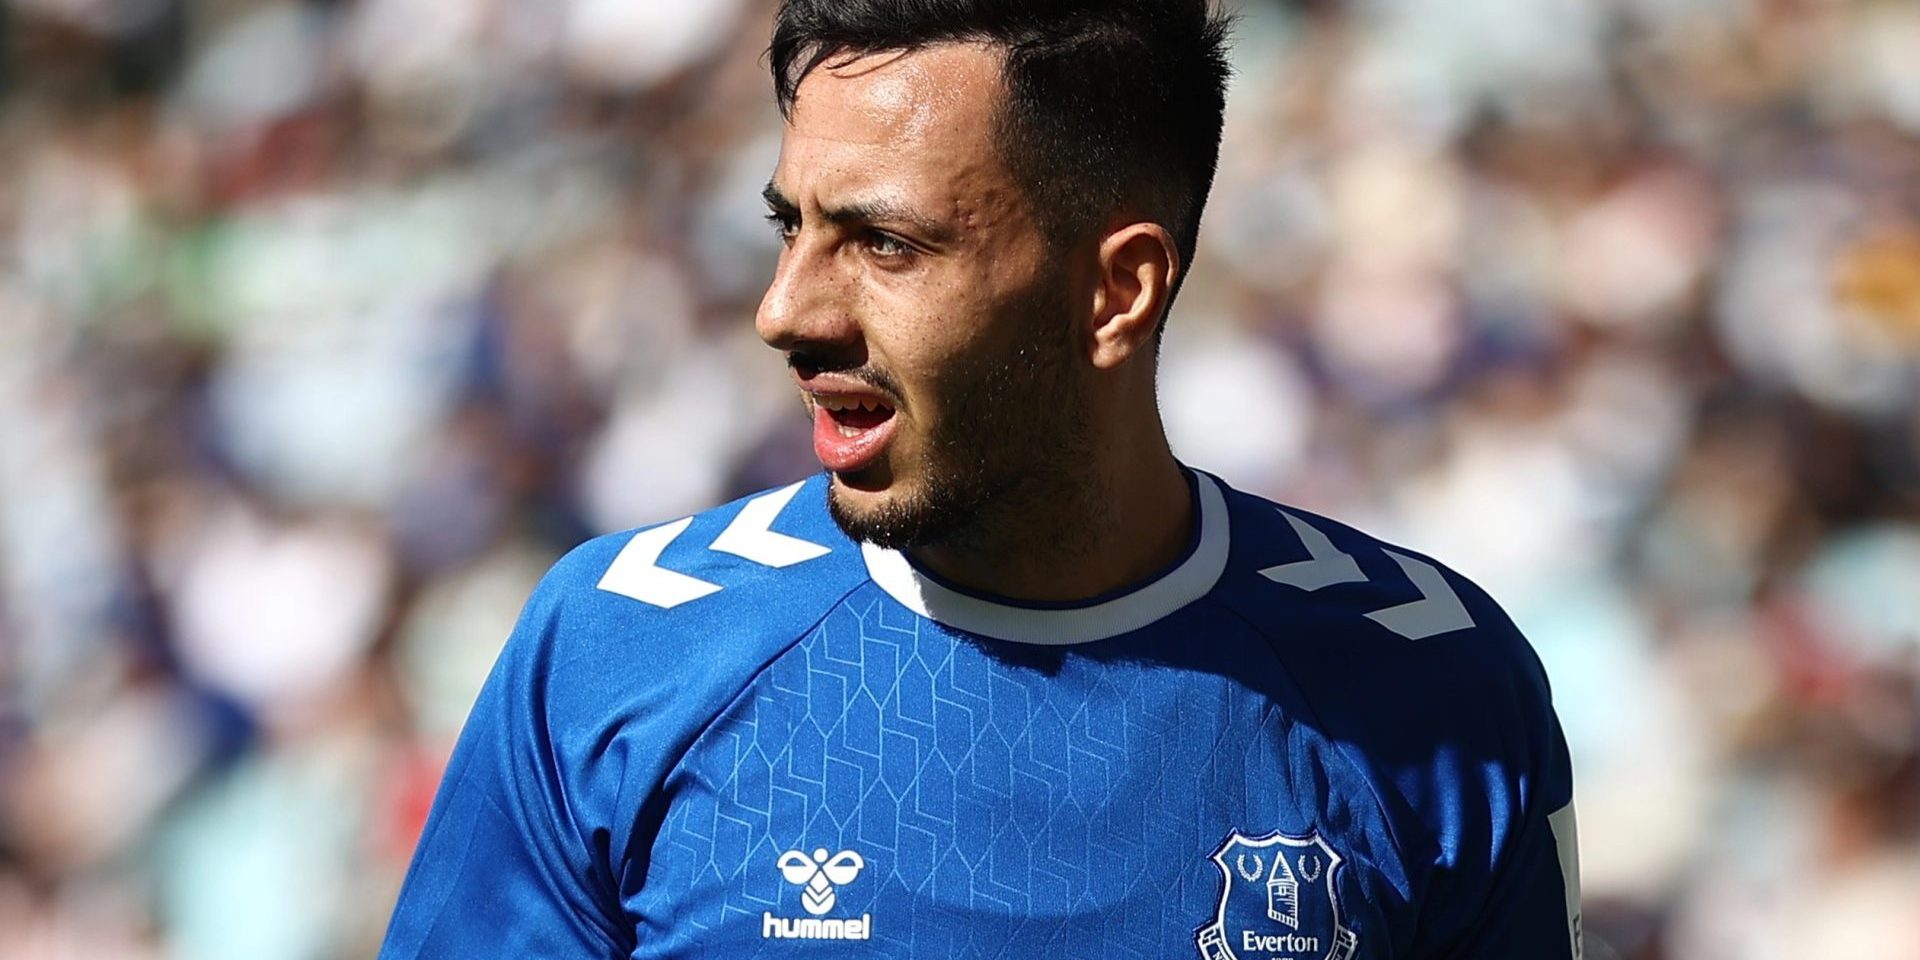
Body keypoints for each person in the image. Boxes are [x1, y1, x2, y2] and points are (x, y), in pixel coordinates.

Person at [378, 2, 1582, 958]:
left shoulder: (1433, 688)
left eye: (885, 244)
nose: (784, 310)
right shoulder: (613, 653)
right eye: (787, 226)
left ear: (1117, 292)